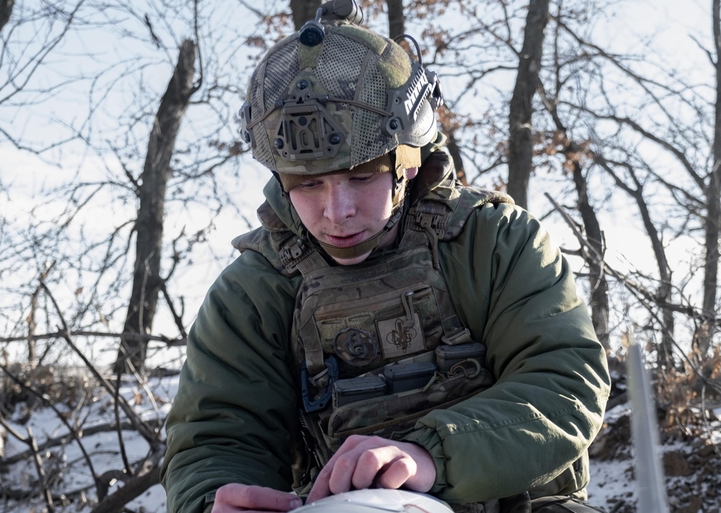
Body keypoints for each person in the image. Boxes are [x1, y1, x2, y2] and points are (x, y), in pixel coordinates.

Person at [160, 2, 610, 512]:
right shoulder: (254, 291)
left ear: (408, 162)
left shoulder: (495, 243)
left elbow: (563, 382)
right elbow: (216, 440)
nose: (338, 212)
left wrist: (431, 454)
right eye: (307, 184)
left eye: (361, 176)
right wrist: (214, 503)